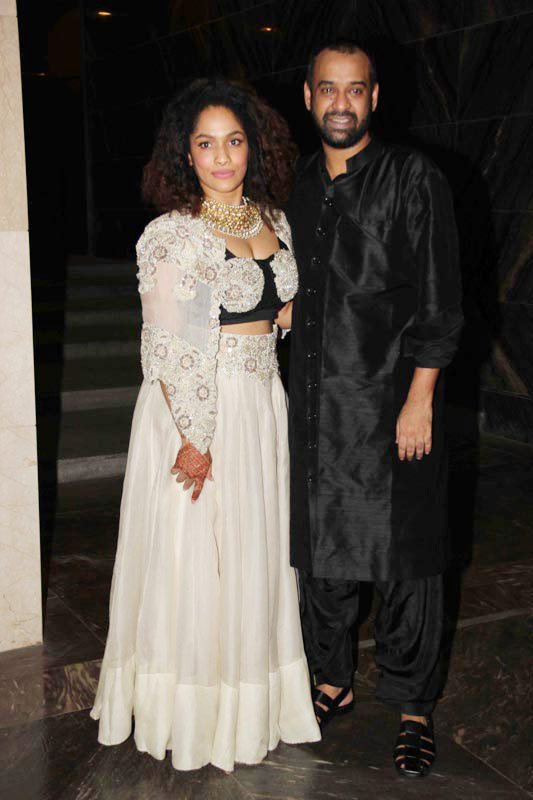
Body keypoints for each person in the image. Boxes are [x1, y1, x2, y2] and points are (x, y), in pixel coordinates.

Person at [90, 78, 320, 773]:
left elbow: (278, 311)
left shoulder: (273, 221)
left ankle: (249, 702)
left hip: (262, 404)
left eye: (233, 141)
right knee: (195, 559)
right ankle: (192, 714)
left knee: (252, 554)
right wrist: (195, 436)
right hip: (197, 408)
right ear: (185, 154)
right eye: (206, 144)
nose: (222, 157)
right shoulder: (171, 234)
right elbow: (165, 344)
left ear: (253, 147)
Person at [285, 40, 463, 779]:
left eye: (354, 89)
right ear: (307, 96)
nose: (340, 103)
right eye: (328, 88)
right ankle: (332, 680)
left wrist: (420, 399)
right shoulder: (297, 184)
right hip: (314, 410)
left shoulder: (411, 177)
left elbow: (440, 301)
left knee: (405, 562)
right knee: (320, 556)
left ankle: (413, 705)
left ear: (374, 98)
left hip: (392, 405)